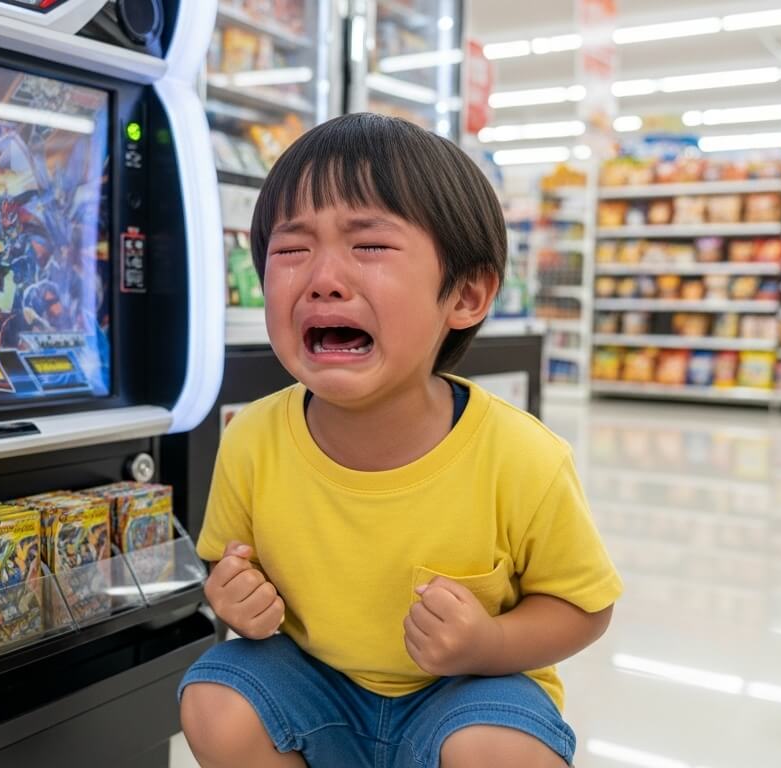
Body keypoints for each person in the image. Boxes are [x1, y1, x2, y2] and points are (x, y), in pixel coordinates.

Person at [177, 113, 622, 768]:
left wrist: (487, 643)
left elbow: (583, 608)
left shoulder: (523, 456)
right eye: (292, 249)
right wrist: (233, 597)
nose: (323, 277)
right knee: (215, 699)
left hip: (466, 689)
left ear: (465, 294)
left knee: (500, 749)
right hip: (314, 683)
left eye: (370, 246)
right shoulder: (253, 437)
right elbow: (228, 563)